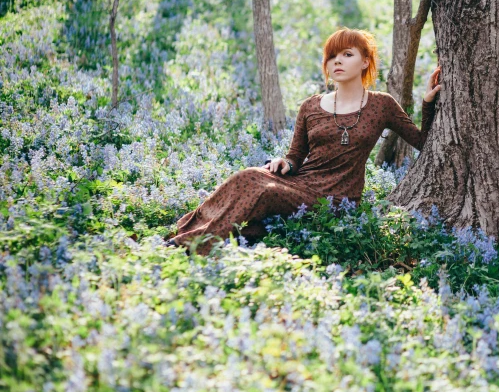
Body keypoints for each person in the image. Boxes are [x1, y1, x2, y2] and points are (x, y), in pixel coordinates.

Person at [164, 27, 443, 255]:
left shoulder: (381, 104)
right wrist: (284, 162)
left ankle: (195, 245)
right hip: (301, 182)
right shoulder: (311, 105)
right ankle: (189, 231)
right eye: (332, 56)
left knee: (264, 192)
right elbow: (296, 156)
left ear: (366, 61)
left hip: (337, 196)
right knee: (246, 176)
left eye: (347, 54)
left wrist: (428, 102)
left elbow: (423, 141)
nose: (337, 61)